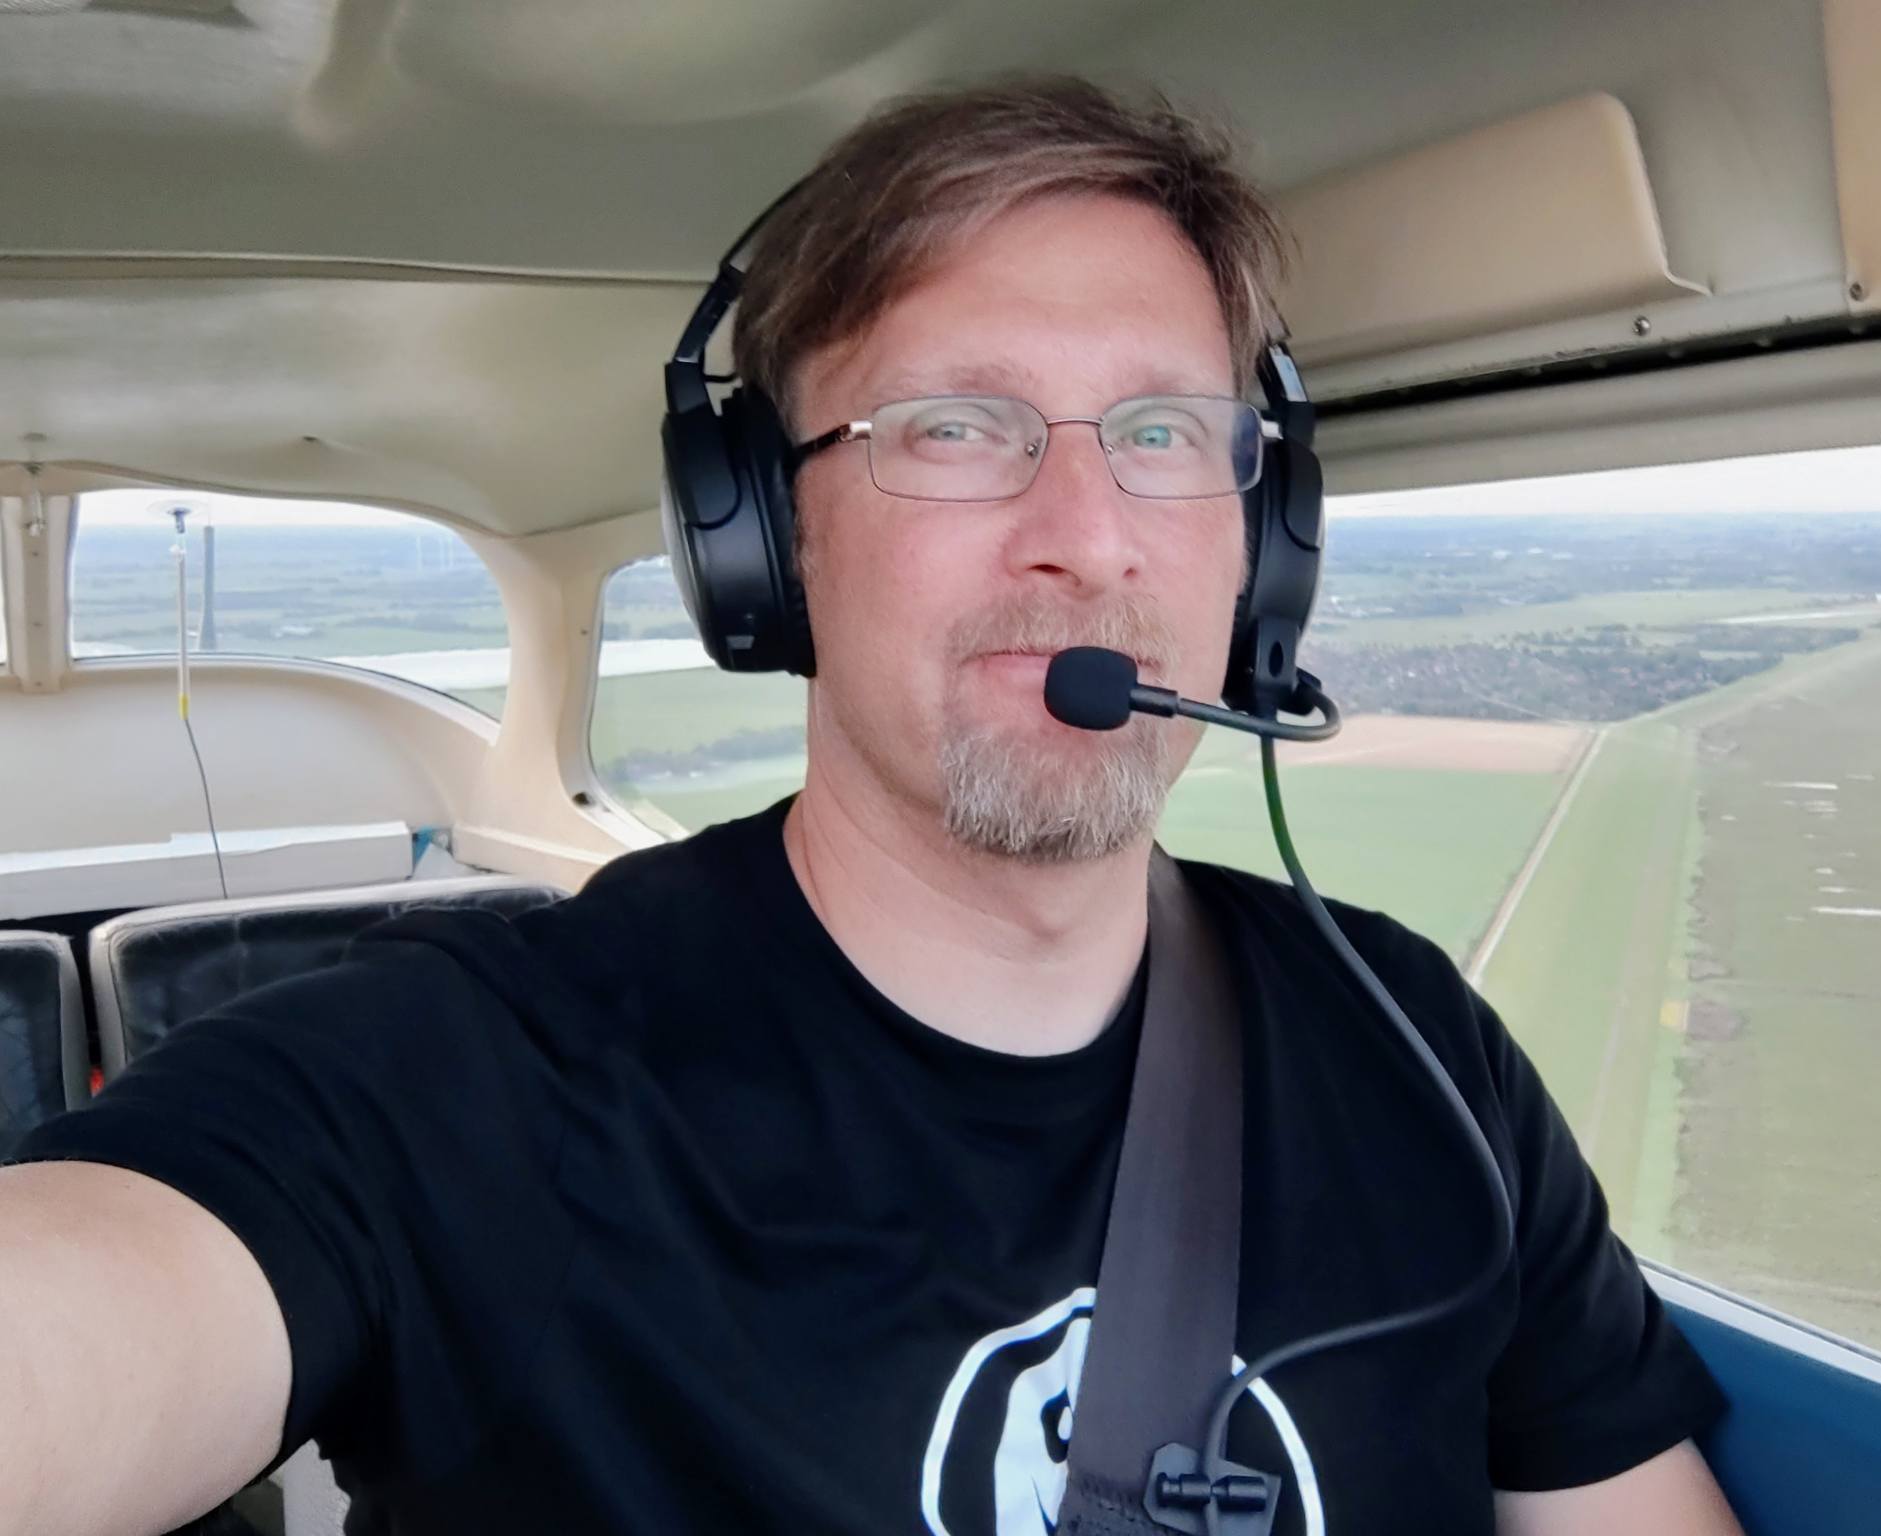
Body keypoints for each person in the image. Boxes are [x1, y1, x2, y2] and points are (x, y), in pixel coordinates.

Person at [0, 78, 1740, 1536]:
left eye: (1158, 431)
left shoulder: (1419, 1047)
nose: (1089, 530)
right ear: (765, 542)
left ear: (1262, 544)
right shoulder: (455, 1077)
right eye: (958, 424)